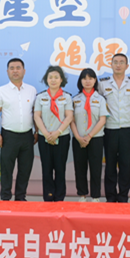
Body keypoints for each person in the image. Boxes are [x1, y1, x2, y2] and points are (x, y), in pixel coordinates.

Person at [0, 58, 37, 201]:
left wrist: (36, 131)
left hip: (27, 136)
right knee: (6, 169)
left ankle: (20, 198)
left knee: (25, 169)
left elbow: (35, 112)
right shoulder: (1, 91)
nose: (15, 71)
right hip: (8, 136)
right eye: (12, 68)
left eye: (18, 68)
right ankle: (5, 198)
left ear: (24, 71)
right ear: (7, 72)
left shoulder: (32, 90)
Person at [99, 53, 130, 203]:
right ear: (111, 65)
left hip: (127, 129)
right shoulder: (103, 84)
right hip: (109, 128)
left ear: (127, 66)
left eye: (122, 62)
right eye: (115, 62)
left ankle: (123, 196)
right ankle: (110, 196)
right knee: (110, 164)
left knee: (125, 164)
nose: (118, 65)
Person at [34, 66, 73, 202]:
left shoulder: (67, 97)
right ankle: (48, 197)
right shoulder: (40, 97)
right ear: (46, 80)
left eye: (56, 77)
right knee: (47, 169)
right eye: (50, 77)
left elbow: (69, 116)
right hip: (44, 137)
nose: (53, 80)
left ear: (61, 80)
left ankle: (59, 198)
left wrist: (58, 132)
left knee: (60, 169)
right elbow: (37, 116)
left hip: (62, 137)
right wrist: (45, 133)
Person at [71, 68, 109, 202]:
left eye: (90, 78)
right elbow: (71, 120)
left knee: (96, 168)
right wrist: (78, 137)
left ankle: (95, 196)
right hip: (78, 139)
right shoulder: (75, 99)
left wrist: (89, 136)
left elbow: (102, 120)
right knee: (80, 168)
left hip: (96, 139)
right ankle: (82, 195)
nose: (87, 81)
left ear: (95, 80)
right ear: (80, 81)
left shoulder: (101, 99)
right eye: (84, 78)